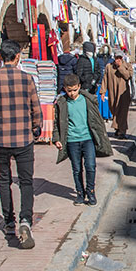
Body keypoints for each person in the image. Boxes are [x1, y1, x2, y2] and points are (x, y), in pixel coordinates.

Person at [0, 40, 42, 249]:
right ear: (17, 58)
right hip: (23, 139)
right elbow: (36, 108)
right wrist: (36, 129)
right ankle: (25, 220)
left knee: (4, 180)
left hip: (0, 139)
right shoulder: (27, 79)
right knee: (26, 181)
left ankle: (8, 222)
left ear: (0, 58)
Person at [52, 74, 112, 206]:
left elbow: (96, 119)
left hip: (87, 138)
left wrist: (101, 134)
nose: (72, 93)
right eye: (69, 90)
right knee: (77, 168)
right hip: (72, 140)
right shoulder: (62, 103)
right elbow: (57, 122)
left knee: (90, 166)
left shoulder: (87, 100)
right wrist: (56, 138)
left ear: (79, 87)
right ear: (65, 89)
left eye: (74, 90)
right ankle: (80, 193)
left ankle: (90, 191)